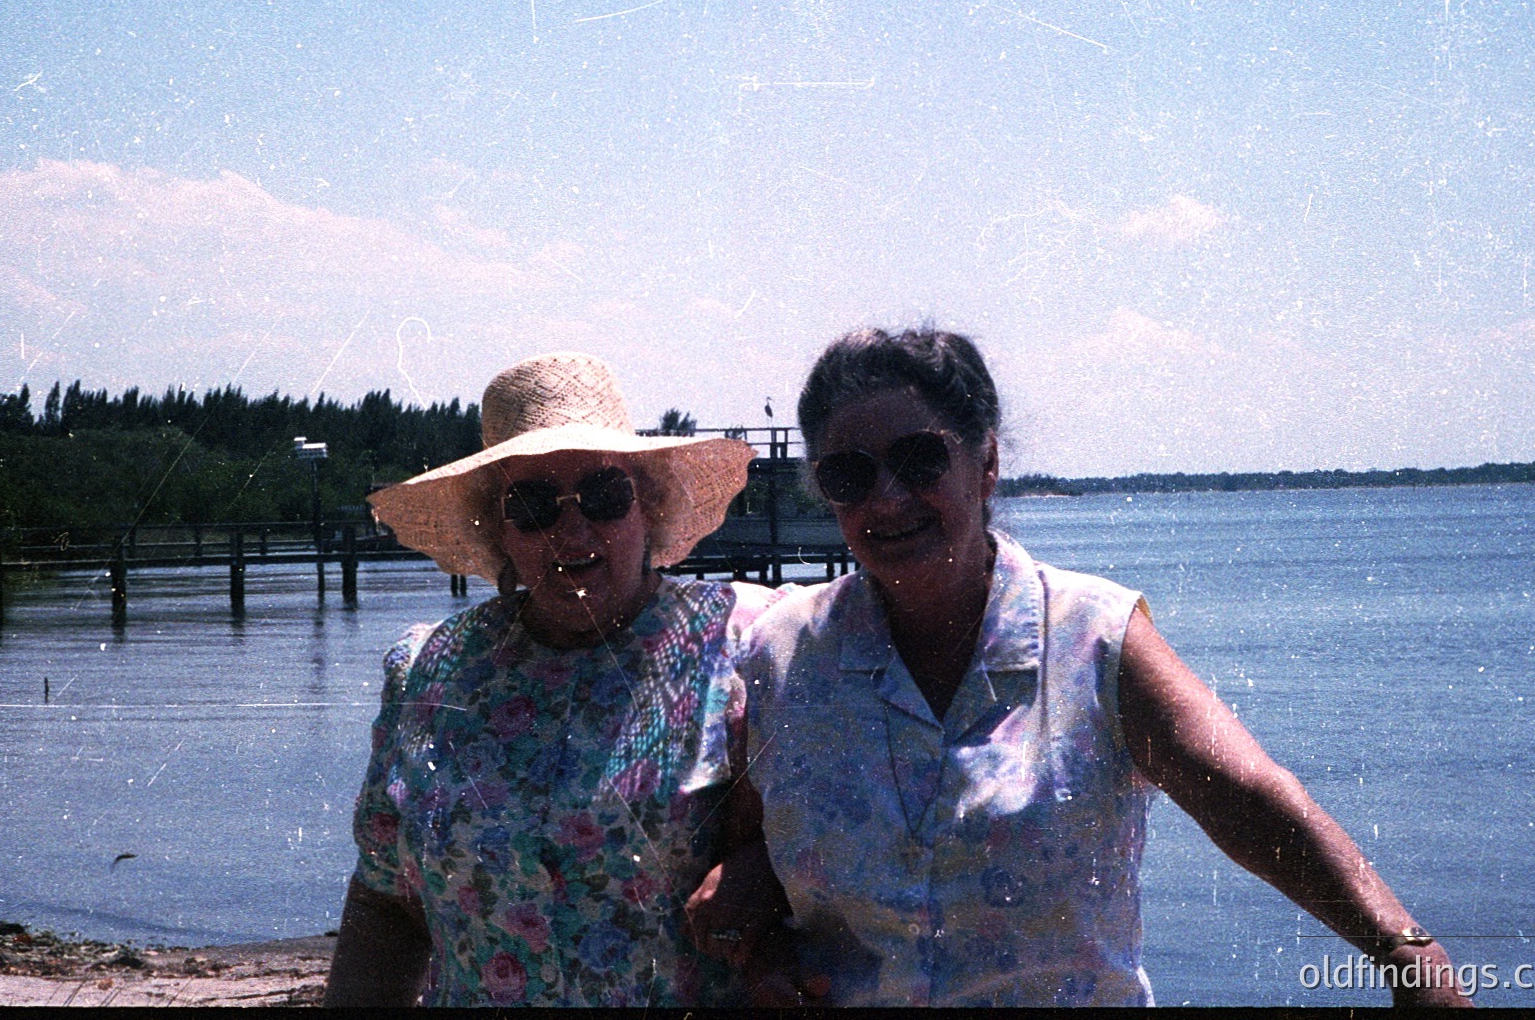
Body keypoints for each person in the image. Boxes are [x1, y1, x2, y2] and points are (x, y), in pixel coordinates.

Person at [689, 328, 1471, 1007]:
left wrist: (1405, 948)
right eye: (850, 475)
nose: (888, 499)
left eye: (920, 459)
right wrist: (763, 953)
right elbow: (749, 853)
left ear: (985, 463)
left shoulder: (1096, 637)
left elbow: (1246, 796)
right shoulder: (781, 653)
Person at [324, 352, 782, 1007]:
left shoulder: (742, 644)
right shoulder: (428, 669)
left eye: (603, 495)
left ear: (647, 506)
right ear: (498, 528)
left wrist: (765, 866)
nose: (573, 529)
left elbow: (846, 830)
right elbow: (383, 898)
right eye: (534, 505)